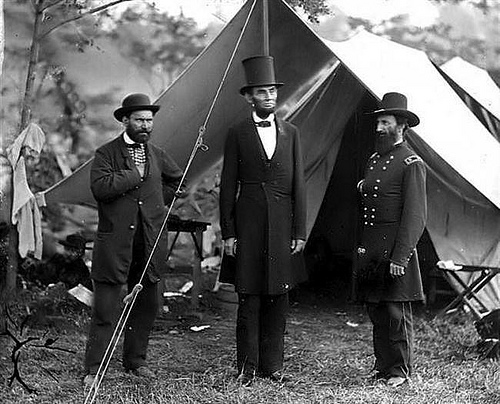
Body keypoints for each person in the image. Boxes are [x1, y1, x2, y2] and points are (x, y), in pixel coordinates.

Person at [219, 56, 307, 386]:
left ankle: (273, 366)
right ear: (249, 97)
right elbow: (228, 185)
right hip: (249, 224)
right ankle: (247, 367)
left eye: (272, 91)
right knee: (250, 297)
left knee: (279, 298)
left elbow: (300, 185)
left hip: (283, 226)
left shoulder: (291, 133)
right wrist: (229, 232)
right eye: (261, 92)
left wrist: (299, 230)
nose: (269, 97)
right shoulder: (237, 133)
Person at [83, 93, 182, 388]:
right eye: (139, 120)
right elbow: (100, 188)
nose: (145, 125)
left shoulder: (158, 154)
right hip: (115, 245)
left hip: (148, 242)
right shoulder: (106, 153)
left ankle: (135, 361)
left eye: (149, 120)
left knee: (146, 304)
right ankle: (94, 369)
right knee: (105, 309)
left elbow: (177, 179)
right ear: (125, 120)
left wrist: (157, 203)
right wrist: (133, 175)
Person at [354, 92, 427, 387]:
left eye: (385, 123)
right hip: (373, 248)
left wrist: (401, 256)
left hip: (395, 248)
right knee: (376, 309)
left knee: (396, 312)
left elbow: (415, 216)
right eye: (378, 123)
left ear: (402, 126)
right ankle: (383, 365)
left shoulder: (412, 163)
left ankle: (400, 370)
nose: (379, 128)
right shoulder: (374, 159)